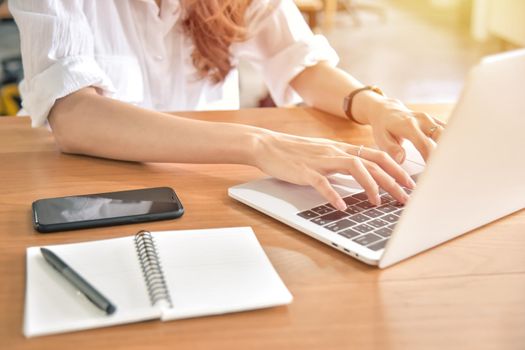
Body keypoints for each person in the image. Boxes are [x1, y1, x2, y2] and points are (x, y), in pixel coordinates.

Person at [10, 0, 444, 211]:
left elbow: (299, 61)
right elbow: (74, 116)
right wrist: (258, 144)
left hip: (215, 195)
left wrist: (372, 105)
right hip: (90, 196)